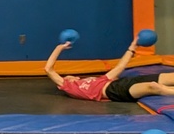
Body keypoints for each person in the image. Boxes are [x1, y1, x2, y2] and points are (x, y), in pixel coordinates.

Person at [45, 38, 174, 101]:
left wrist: (132, 47)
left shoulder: (97, 79)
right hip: (115, 91)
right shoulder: (69, 86)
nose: (68, 76)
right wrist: (60, 48)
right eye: (65, 77)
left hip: (122, 82)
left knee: (170, 77)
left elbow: (120, 67)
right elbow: (48, 69)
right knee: (153, 87)